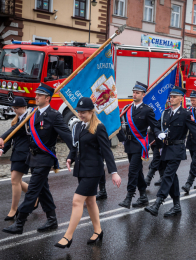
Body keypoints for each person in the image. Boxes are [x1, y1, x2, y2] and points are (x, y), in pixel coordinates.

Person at [1, 83, 73, 235]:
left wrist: (74, 152)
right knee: (43, 191)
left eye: (39, 95)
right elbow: (17, 128)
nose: (36, 97)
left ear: (47, 98)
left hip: (45, 158)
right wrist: (2, 138)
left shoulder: (54, 115)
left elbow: (67, 135)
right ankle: (52, 220)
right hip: (33, 158)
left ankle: (20, 222)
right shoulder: (33, 113)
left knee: (32, 190)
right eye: (36, 94)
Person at [54, 97, 121, 248]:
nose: (80, 114)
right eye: (79, 111)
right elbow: (75, 146)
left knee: (77, 201)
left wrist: (114, 172)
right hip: (81, 169)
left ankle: (68, 236)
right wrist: (70, 158)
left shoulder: (99, 127)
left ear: (92, 112)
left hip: (93, 170)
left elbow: (106, 151)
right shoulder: (77, 126)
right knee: (90, 201)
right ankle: (98, 230)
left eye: (84, 112)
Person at [144, 86, 196, 218]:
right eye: (171, 97)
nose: (171, 99)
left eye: (174, 97)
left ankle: (157, 203)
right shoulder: (165, 113)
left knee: (167, 175)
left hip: (177, 149)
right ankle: (177, 206)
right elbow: (155, 127)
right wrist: (159, 134)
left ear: (181, 98)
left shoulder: (186, 114)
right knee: (172, 177)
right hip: (166, 149)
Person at [118, 81, 163, 209]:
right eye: (133, 92)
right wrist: (122, 139)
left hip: (139, 145)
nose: (134, 94)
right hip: (129, 144)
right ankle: (143, 196)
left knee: (132, 170)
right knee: (137, 171)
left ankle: (129, 197)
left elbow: (155, 126)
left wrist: (160, 146)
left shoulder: (147, 110)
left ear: (143, 95)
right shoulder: (127, 108)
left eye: (137, 93)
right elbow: (121, 125)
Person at [0, 97, 39, 221]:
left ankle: (14, 209)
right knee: (16, 181)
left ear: (24, 107)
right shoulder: (17, 120)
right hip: (16, 153)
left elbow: (14, 130)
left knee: (14, 180)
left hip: (25, 153)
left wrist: (2, 137)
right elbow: (11, 137)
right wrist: (2, 149)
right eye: (14, 108)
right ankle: (34, 196)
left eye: (17, 108)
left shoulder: (29, 118)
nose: (15, 110)